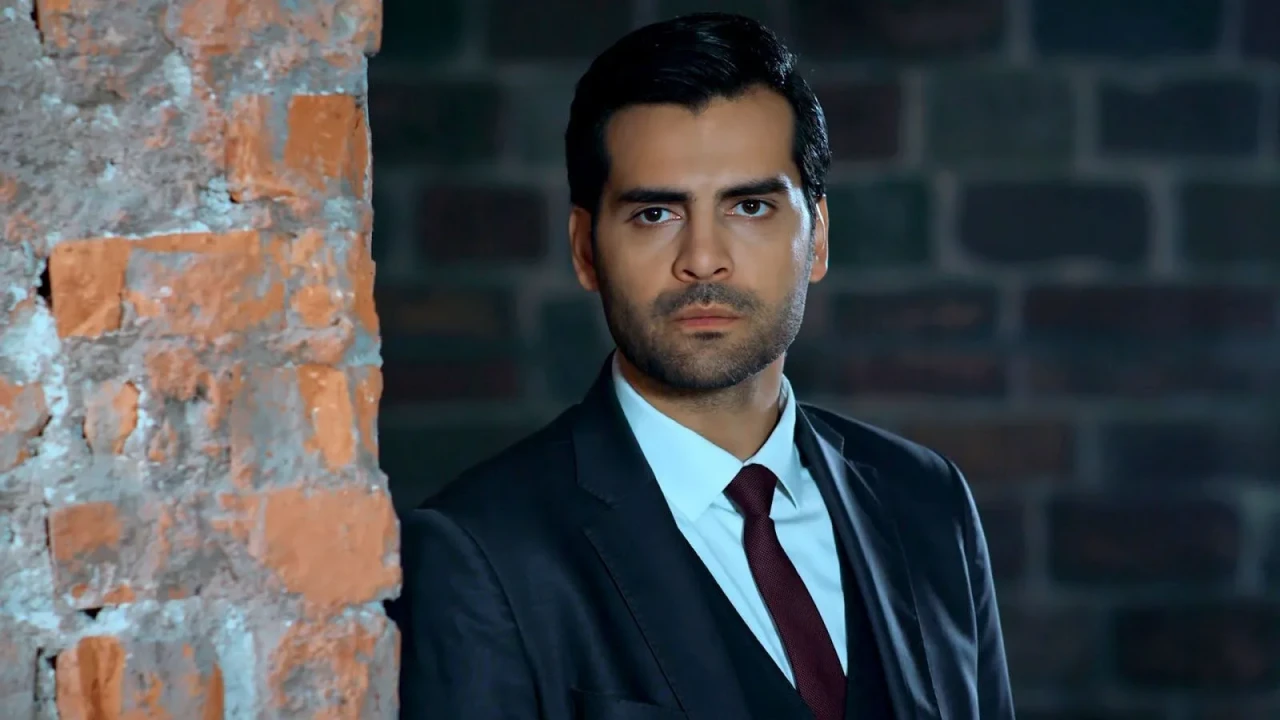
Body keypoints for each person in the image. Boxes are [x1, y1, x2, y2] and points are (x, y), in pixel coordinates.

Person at [390, 12, 1014, 720]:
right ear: (586, 250)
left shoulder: (927, 502)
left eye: (750, 206)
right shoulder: (481, 552)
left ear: (817, 239)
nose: (704, 259)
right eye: (656, 214)